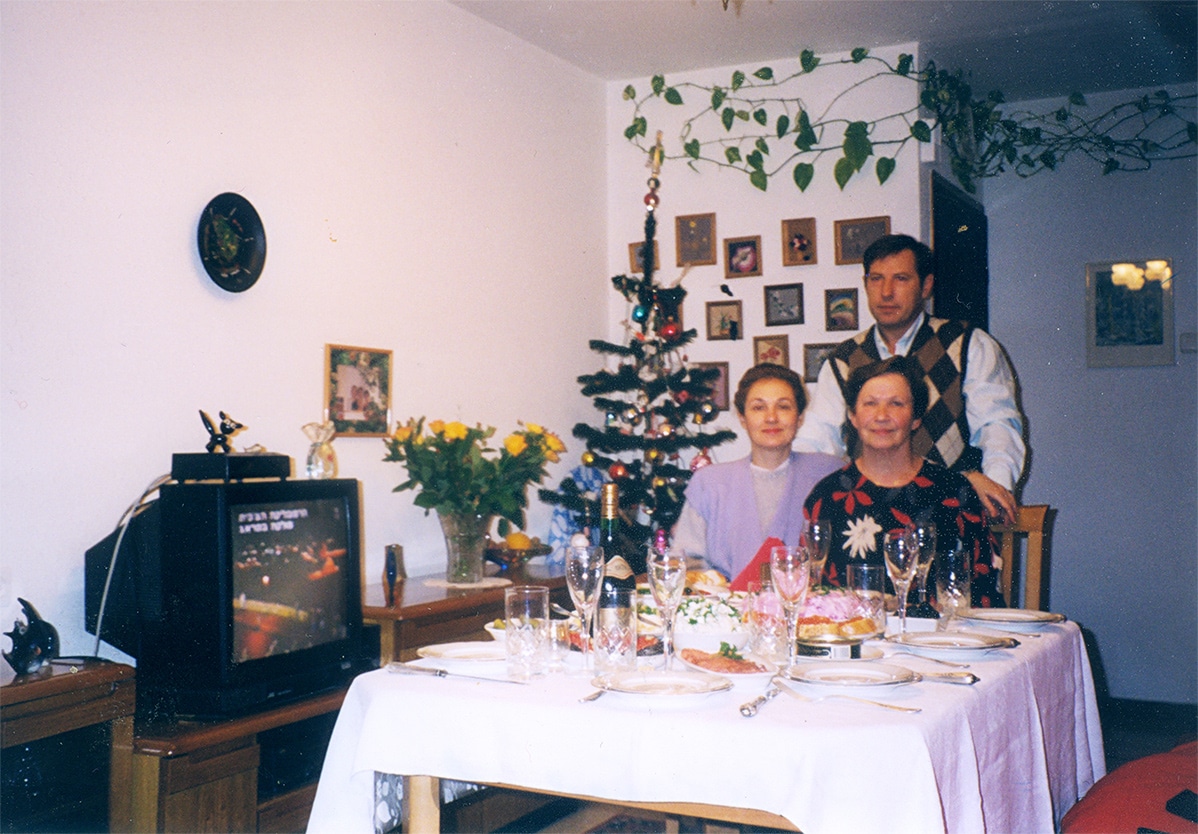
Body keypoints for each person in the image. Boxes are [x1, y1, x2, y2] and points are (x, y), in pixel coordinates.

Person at [794, 233, 1025, 522]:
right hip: (867, 519)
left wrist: (995, 494)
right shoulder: (842, 361)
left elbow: (997, 428)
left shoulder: (967, 345)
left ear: (926, 285)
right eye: (876, 279)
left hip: (949, 516)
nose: (887, 292)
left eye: (901, 279)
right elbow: (817, 446)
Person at [804, 356, 1004, 608]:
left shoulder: (955, 493)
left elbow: (983, 593)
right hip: (855, 641)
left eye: (896, 404)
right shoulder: (827, 497)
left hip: (939, 643)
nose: (882, 416)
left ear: (916, 418)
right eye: (870, 404)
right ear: (853, 417)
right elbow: (816, 598)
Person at [672, 363, 843, 581]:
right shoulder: (709, 483)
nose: (771, 418)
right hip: (725, 609)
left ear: (799, 418)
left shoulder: (828, 474)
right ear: (743, 418)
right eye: (758, 407)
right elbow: (688, 564)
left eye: (783, 406)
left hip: (808, 611)